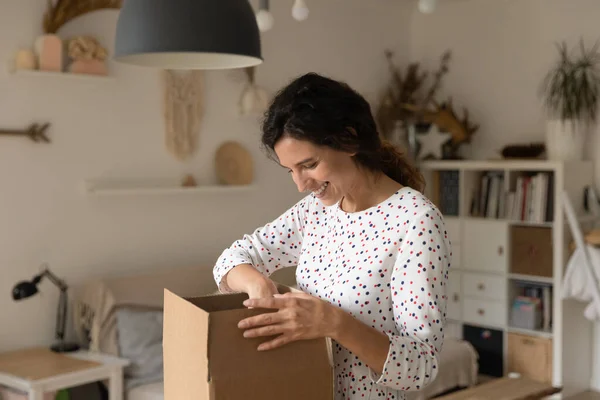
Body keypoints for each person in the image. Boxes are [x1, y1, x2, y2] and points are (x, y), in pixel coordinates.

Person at [213, 72, 452, 400]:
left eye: (309, 165)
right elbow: (231, 259)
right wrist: (259, 286)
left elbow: (421, 367)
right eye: (290, 171)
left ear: (349, 138)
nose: (300, 184)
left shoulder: (415, 221)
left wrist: (335, 323)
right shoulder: (314, 211)